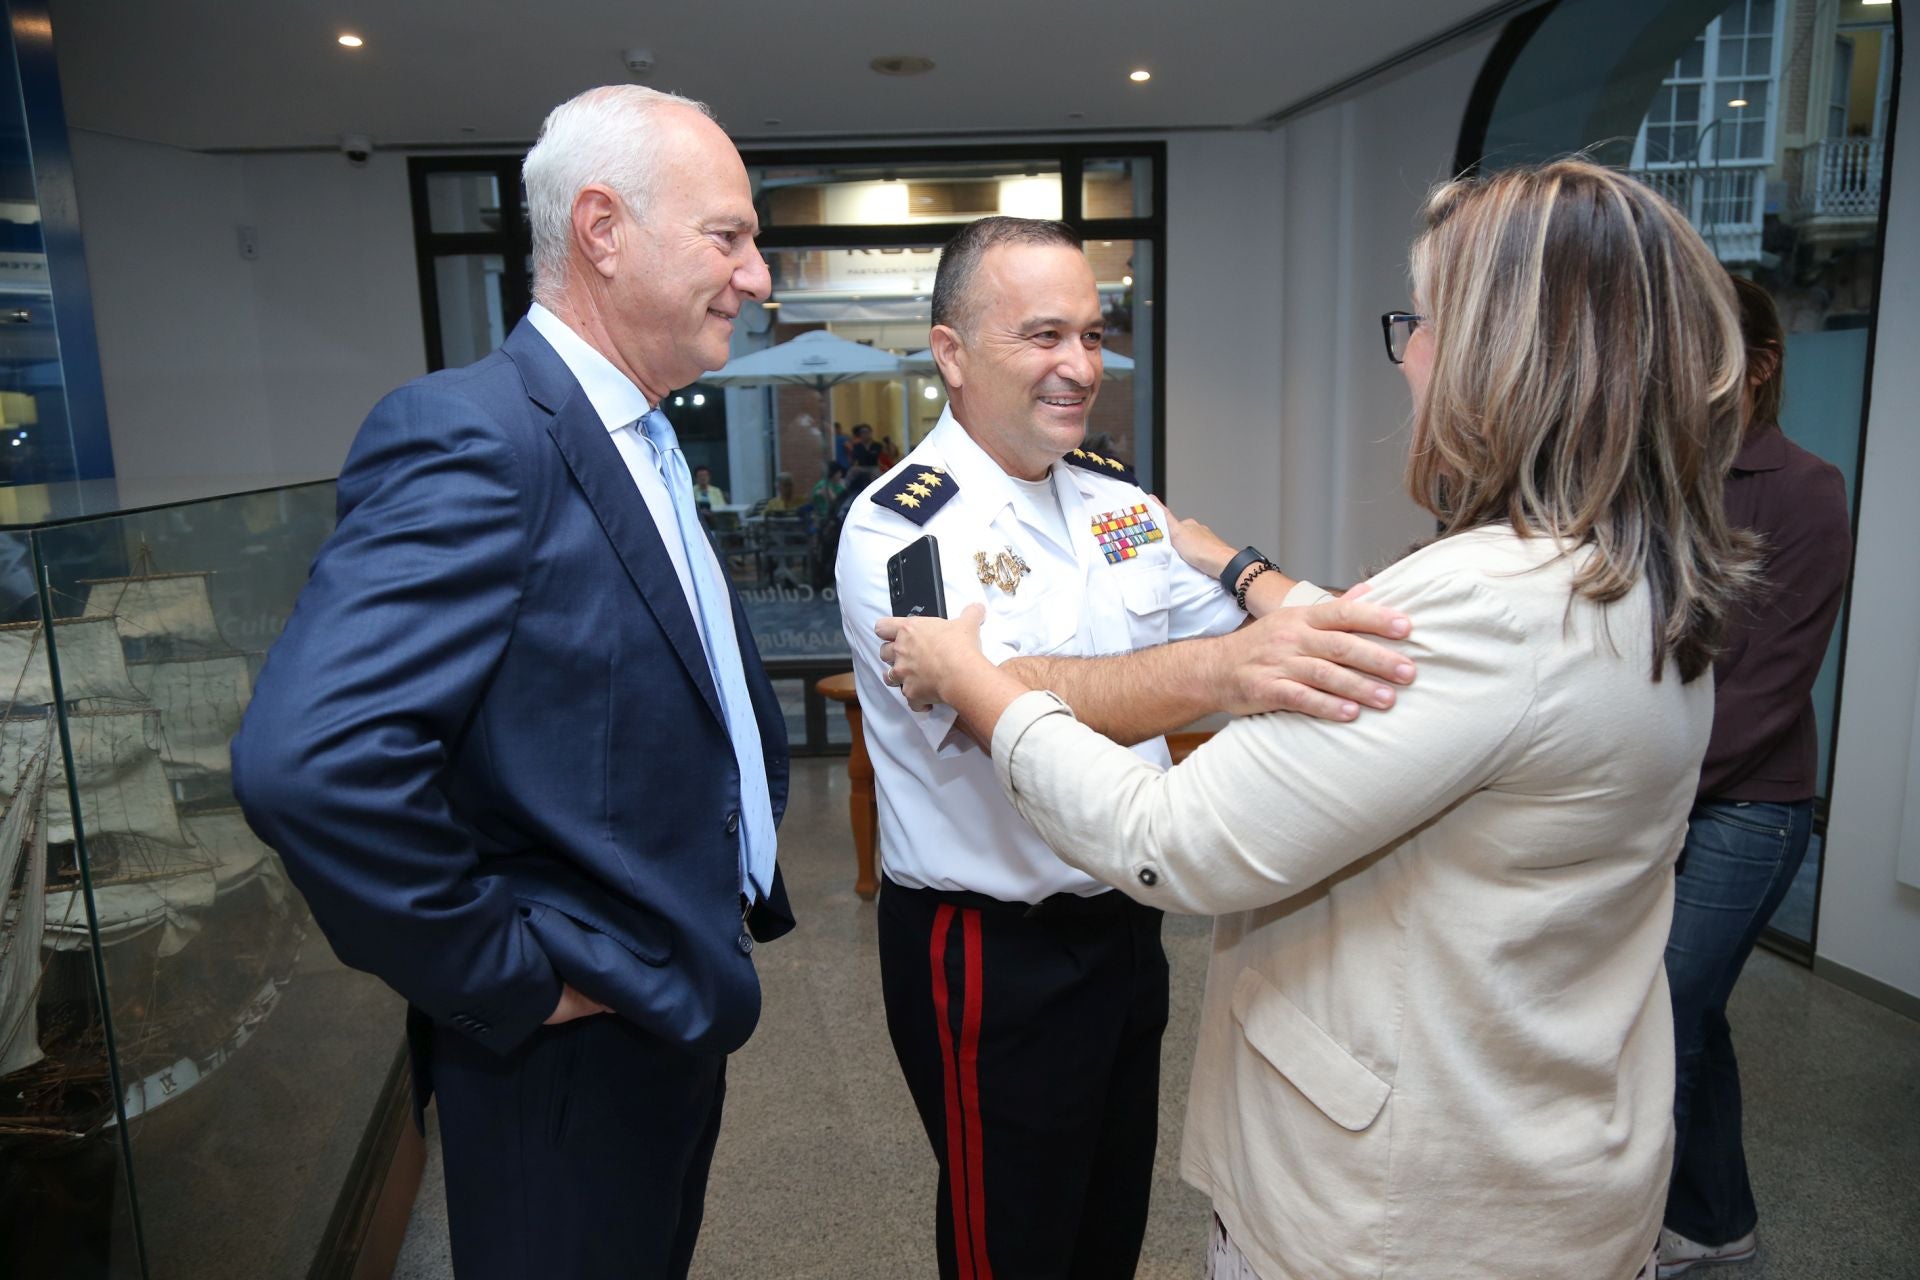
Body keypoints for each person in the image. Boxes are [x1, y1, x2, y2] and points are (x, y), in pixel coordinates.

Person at [879, 162, 1758, 1280]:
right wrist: (1237, 600)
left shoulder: (1480, 598)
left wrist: (983, 674)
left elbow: (1175, 830)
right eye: (1042, 333)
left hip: (1410, 1194)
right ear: (953, 353)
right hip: (1521, 1142)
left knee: (1090, 1208)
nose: (1408, 353)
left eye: (1425, 323)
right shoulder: (1632, 577)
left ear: (1504, 358)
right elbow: (1313, 650)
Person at [232, 85, 794, 1280]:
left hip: (664, 996)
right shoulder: (473, 433)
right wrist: (510, 977)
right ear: (602, 228)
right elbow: (310, 762)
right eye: (728, 237)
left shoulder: (637, 433)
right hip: (563, 1048)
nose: (758, 276)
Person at [836, 215, 1419, 1279]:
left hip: (1122, 928)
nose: (1080, 367)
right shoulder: (902, 526)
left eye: (1094, 336)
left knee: (1106, 1225)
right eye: (1044, 335)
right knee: (1008, 1242)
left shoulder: (1120, 507)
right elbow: (992, 701)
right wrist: (1223, 668)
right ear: (953, 352)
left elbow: (1319, 633)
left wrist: (1234, 563)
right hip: (988, 948)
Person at [1657, 276, 1852, 1278]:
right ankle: (1721, 1225)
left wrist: (1627, 786)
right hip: (1659, 788)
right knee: (1695, 1011)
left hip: (1748, 807)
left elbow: (1764, 694)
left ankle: (1619, 1241)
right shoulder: (1649, 471)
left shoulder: (1807, 488)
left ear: (1760, 367)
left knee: (1660, 1013)